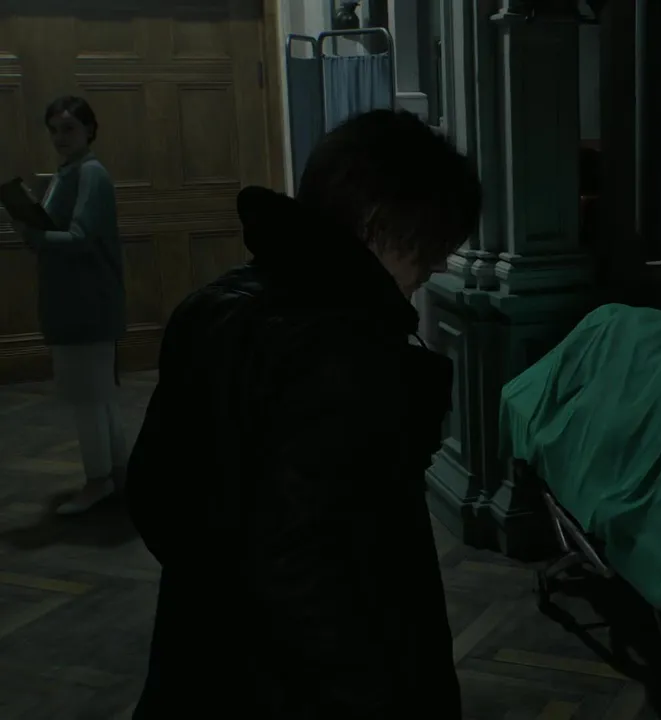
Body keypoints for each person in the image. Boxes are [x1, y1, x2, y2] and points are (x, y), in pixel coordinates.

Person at [125, 109, 481, 718]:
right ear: (378, 223)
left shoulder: (211, 308)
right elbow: (315, 578)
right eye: (433, 241)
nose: (440, 263)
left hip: (200, 658)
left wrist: (216, 581)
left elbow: (154, 493)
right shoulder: (349, 353)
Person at [12, 96, 128, 515]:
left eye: (69, 129)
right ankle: (115, 475)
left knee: (88, 396)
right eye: (54, 130)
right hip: (73, 297)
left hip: (86, 300)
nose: (60, 137)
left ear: (89, 130)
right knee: (97, 395)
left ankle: (98, 481)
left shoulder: (90, 173)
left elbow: (80, 237)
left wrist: (34, 235)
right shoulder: (70, 172)